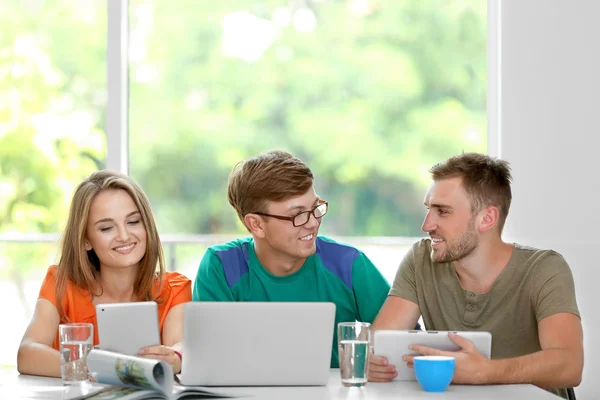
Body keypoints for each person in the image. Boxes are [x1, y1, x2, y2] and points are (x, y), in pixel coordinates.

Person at [368, 153, 583, 399]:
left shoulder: (544, 269)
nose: (426, 225)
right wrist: (373, 363)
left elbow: (570, 365)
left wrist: (486, 371)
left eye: (443, 211)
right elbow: (378, 348)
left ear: (487, 219)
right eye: (429, 209)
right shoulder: (420, 260)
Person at [192, 150, 391, 367]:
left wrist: (375, 362)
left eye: (315, 208)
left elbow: (396, 341)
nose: (313, 223)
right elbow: (210, 356)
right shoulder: (221, 266)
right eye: (298, 215)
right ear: (256, 224)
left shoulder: (348, 263)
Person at [17, 170, 191, 377]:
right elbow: (27, 354)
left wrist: (175, 357)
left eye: (133, 222)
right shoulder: (61, 283)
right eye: (107, 228)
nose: (124, 236)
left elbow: (178, 345)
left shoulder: (174, 288)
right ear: (86, 240)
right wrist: (99, 367)